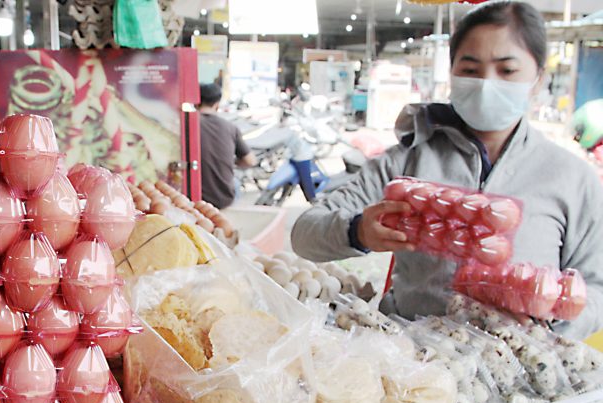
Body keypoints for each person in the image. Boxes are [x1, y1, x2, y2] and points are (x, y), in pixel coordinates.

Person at [291, 1, 603, 341]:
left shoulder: (572, 178)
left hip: (516, 373)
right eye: (470, 69)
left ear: (538, 78)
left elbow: (596, 290)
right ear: (452, 73)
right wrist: (357, 232)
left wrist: (552, 318)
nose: (487, 83)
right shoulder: (406, 162)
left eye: (507, 70)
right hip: (413, 364)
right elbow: (304, 234)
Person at [198, 83, 256, 209]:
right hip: (223, 199)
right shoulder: (230, 127)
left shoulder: (183, 124)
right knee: (235, 183)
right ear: (217, 104)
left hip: (193, 199)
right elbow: (250, 161)